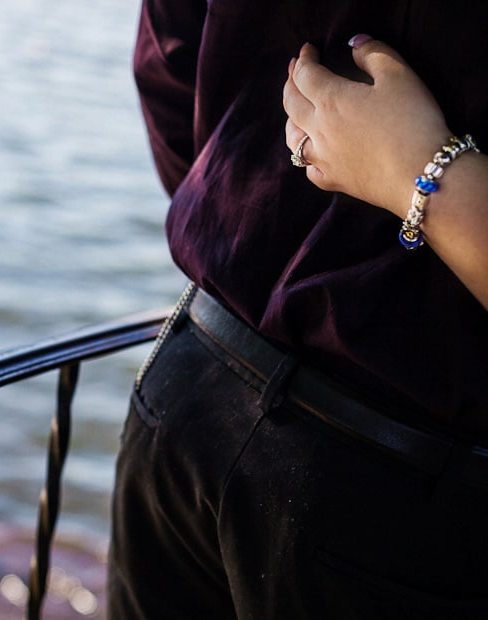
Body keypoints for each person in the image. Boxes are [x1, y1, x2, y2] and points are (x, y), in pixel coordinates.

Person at [107, 2, 488, 618]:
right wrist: (425, 174)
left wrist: (243, 222)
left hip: (191, 388)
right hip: (397, 478)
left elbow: (168, 54)